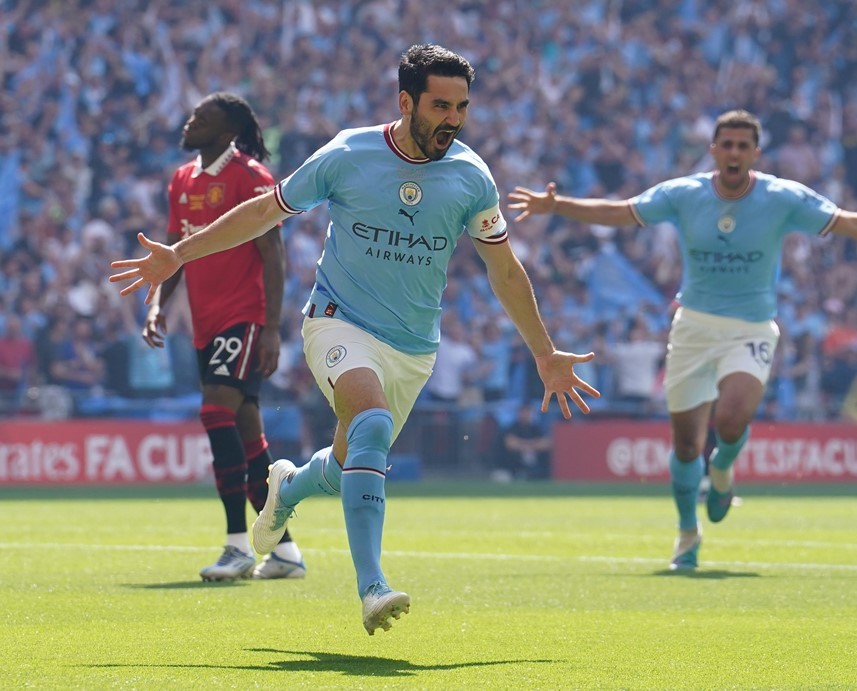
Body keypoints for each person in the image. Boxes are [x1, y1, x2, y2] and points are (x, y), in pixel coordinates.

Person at [110, 45, 599, 634]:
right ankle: (373, 586)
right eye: (440, 106)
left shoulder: (472, 176)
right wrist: (180, 255)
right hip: (337, 321)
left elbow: (505, 270)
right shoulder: (348, 153)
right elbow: (265, 212)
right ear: (406, 102)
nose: (453, 119)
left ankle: (290, 487)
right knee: (371, 425)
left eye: (462, 107)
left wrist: (544, 352)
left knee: (349, 462)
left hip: (413, 346)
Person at [508, 109, 857, 571]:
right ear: (714, 150)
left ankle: (723, 469)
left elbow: (851, 222)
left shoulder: (782, 197)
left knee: (732, 420)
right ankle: (687, 533)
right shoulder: (684, 193)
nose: (734, 153)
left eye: (743, 146)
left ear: (755, 152)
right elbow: (623, 212)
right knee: (686, 445)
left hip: (751, 328)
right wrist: (558, 205)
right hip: (693, 328)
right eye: (727, 145)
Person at [139, 92, 305, 582]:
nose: (190, 122)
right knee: (249, 435)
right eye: (193, 115)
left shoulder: (251, 177)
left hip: (244, 315)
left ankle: (236, 545)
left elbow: (272, 253)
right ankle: (286, 551)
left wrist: (270, 327)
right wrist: (157, 304)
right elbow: (174, 252)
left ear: (229, 131)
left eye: (202, 118)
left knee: (215, 412)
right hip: (205, 321)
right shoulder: (182, 180)